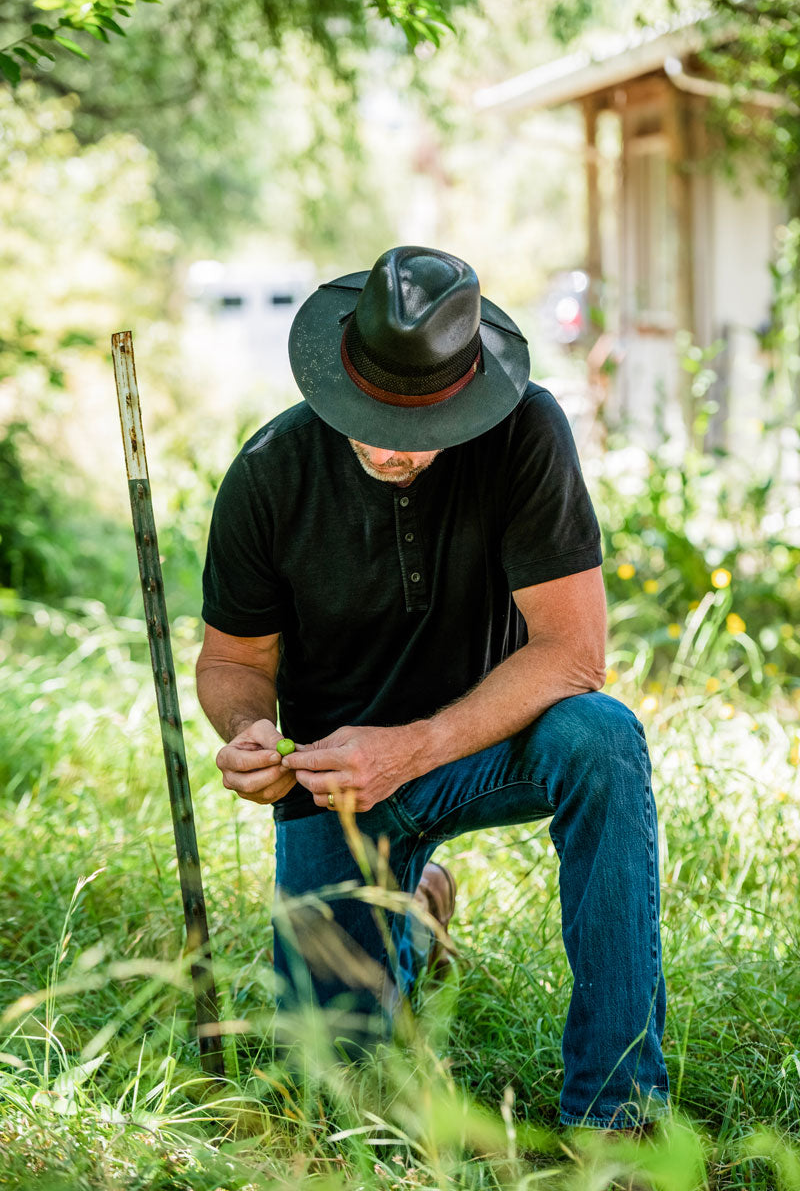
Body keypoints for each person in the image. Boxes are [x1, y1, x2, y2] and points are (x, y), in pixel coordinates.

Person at [196, 245, 670, 1131]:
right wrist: (247, 729)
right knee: (334, 1087)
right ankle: (414, 913)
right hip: (335, 785)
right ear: (335, 377)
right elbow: (233, 663)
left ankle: (618, 1116)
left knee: (603, 737)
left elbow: (574, 653)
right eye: (368, 415)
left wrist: (411, 747)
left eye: (418, 428)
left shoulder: (528, 431)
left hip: (493, 743)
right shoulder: (269, 473)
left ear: (468, 393)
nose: (390, 447)